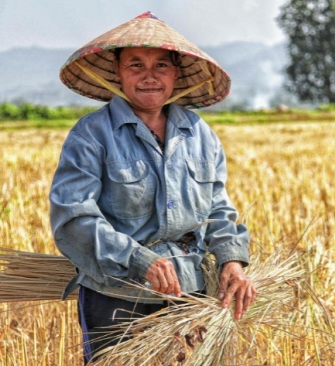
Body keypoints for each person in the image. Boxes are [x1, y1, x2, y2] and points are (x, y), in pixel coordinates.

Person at [49, 12, 256, 363]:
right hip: (117, 296)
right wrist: (139, 259)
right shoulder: (92, 135)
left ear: (176, 73)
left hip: (191, 292)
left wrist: (232, 261)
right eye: (135, 65)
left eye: (161, 65)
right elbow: (73, 219)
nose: (149, 76)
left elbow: (218, 209)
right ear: (118, 72)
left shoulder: (199, 134)